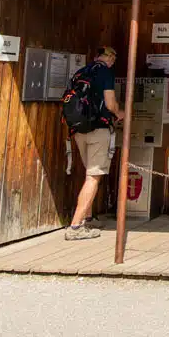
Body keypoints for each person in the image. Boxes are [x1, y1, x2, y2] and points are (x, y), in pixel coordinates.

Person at [65, 47, 124, 241]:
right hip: (99, 129)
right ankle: (75, 227)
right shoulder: (106, 72)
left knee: (89, 173)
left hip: (79, 130)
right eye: (112, 57)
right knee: (94, 176)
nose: (113, 60)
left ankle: (87, 218)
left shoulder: (81, 72)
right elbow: (109, 103)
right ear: (108, 58)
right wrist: (119, 113)